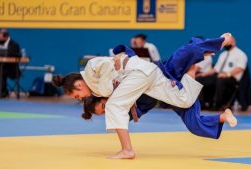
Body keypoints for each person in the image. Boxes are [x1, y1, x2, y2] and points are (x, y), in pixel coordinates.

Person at [53, 33, 233, 159]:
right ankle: (192, 64)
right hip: (148, 77)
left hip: (138, 72)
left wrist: (118, 57)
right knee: (184, 100)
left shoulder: (91, 68)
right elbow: (123, 92)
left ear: (77, 84)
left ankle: (127, 150)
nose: (79, 98)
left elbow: (110, 62)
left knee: (114, 106)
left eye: (76, 95)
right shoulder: (98, 90)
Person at [81, 95, 236, 141]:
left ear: (102, 97)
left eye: (104, 106)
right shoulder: (119, 108)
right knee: (194, 126)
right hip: (163, 97)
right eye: (104, 112)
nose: (108, 110)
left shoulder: (120, 89)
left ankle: (194, 57)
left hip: (173, 88)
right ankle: (222, 116)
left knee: (194, 124)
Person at [196, 36, 248, 110]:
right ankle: (202, 103)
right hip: (219, 76)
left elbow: (241, 68)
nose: (225, 44)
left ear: (233, 42)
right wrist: (204, 74)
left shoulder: (240, 54)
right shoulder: (223, 55)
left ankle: (217, 104)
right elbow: (216, 69)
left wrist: (227, 74)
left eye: (227, 42)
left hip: (231, 78)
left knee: (220, 80)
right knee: (199, 79)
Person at [0, 29, 21, 97]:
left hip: (12, 69)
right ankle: (0, 90)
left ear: (5, 36)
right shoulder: (1, 43)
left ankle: (3, 92)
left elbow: (11, 54)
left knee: (0, 72)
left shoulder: (14, 44)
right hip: (2, 66)